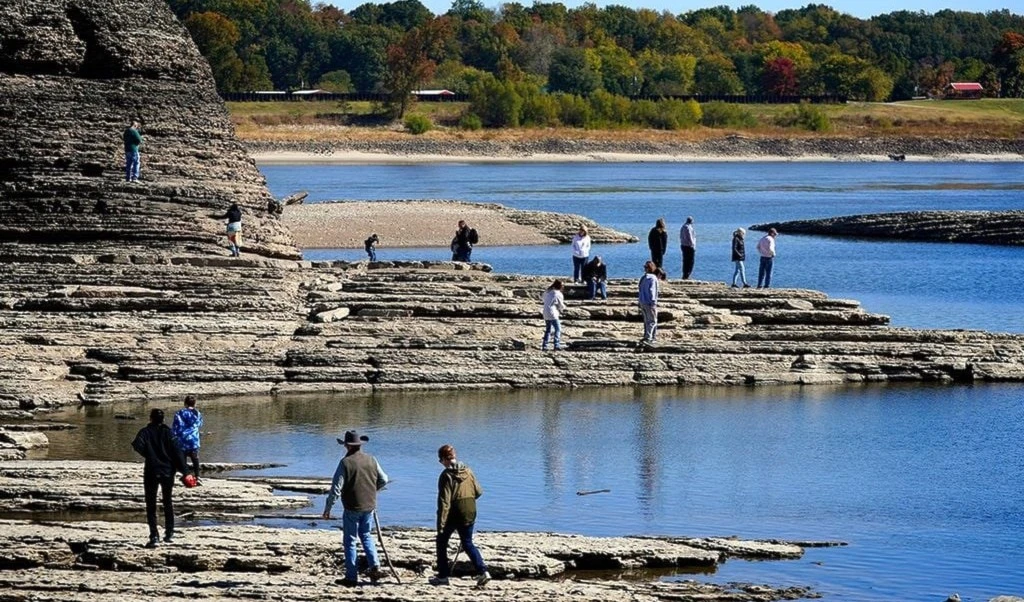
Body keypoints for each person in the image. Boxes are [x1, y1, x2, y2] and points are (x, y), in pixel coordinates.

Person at [322, 430, 389, 587]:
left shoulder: (345, 463)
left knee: (350, 541)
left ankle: (351, 577)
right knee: (366, 535)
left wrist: (328, 508)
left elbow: (336, 489)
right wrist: (373, 489)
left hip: (352, 507)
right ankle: (375, 565)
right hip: (369, 505)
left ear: (347, 446)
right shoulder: (372, 459)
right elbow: (384, 479)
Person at [430, 444, 491, 587]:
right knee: (467, 543)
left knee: (441, 542)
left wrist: (441, 523)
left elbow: (444, 502)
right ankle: (483, 571)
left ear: (444, 459)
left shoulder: (446, 475)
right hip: (470, 510)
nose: (441, 463)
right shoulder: (468, 471)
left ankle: (443, 576)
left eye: (440, 460)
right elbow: (479, 491)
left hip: (455, 512)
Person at [131, 408, 191, 548]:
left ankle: (154, 536)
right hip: (168, 471)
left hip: (151, 470)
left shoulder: (145, 432)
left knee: (151, 504)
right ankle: (169, 533)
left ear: (151, 418)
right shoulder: (169, 433)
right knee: (167, 501)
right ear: (163, 419)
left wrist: (149, 454)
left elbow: (137, 445)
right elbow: (178, 453)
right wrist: (185, 471)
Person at [172, 394, 203, 482]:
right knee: (195, 457)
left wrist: (173, 436)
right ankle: (197, 476)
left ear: (185, 403)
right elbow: (200, 424)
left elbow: (176, 426)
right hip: (194, 438)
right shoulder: (198, 413)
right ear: (194, 403)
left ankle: (186, 475)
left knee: (183, 458)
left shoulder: (180, 413)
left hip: (183, 439)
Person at [541, 279, 567, 351]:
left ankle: (545, 346)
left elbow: (543, 299)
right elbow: (561, 305)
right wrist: (563, 309)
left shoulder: (547, 291)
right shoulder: (558, 294)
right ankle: (556, 345)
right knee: (558, 329)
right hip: (553, 313)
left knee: (548, 330)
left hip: (545, 312)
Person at [638, 261, 659, 345]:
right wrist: (653, 302)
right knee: (652, 321)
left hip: (642, 302)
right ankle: (649, 337)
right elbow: (652, 291)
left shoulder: (643, 278)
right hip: (649, 303)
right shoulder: (653, 278)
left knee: (646, 320)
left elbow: (640, 290)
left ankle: (649, 336)